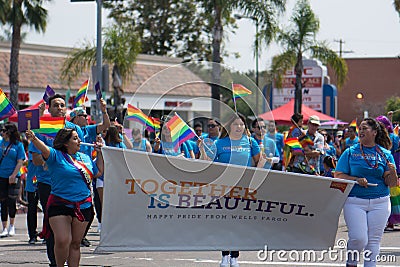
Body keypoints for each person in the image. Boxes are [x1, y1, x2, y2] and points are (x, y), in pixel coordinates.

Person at [25, 128, 103, 267]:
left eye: (78, 138)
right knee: (62, 240)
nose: (79, 141)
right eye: (75, 138)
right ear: (66, 143)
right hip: (60, 204)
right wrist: (34, 138)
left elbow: (98, 172)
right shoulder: (55, 155)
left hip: (83, 205)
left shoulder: (85, 157)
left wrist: (101, 152)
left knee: (75, 244)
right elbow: (44, 149)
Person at [199, 113, 262, 267]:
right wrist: (202, 149)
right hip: (224, 187)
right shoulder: (220, 143)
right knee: (225, 222)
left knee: (239, 222)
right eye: (236, 124)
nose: (239, 127)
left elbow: (259, 162)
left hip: (244, 188)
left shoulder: (250, 141)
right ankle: (225, 255)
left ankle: (235, 256)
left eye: (241, 124)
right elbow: (208, 163)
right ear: (229, 127)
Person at [335, 118, 397, 267]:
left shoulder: (385, 154)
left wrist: (393, 172)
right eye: (360, 129)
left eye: (365, 128)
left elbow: (392, 183)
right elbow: (338, 175)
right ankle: (351, 263)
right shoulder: (350, 152)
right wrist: (355, 179)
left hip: (380, 202)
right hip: (355, 201)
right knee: (359, 238)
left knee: (374, 240)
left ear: (374, 132)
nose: (361, 131)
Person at [31, 94, 85, 266]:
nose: (60, 108)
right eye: (56, 105)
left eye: (62, 105)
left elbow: (80, 155)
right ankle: (55, 262)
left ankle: (71, 260)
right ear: (49, 108)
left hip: (73, 185)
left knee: (73, 231)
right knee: (54, 228)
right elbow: (36, 160)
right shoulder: (40, 128)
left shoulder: (74, 129)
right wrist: (53, 162)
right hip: (48, 184)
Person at [0, 123, 26, 238]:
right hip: (2, 175)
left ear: (10, 131)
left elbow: (20, 161)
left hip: (14, 176)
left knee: (11, 201)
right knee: (3, 201)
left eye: (4, 130)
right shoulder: (1, 143)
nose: (2, 132)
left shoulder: (18, 145)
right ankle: (4, 227)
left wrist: (13, 174)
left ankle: (12, 225)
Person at [376, 115, 400, 231]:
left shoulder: (393, 138)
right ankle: (386, 221)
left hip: (392, 169)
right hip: (379, 169)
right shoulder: (374, 138)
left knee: (394, 197)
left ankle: (391, 222)